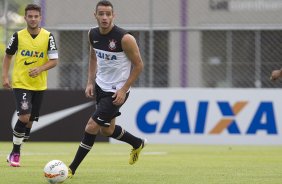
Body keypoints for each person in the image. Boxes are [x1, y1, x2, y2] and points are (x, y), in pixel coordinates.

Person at [68, 0, 146, 177]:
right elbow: (94, 57)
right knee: (107, 130)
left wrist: (124, 89)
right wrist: (90, 81)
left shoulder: (125, 38)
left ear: (113, 16)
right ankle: (137, 143)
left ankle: (71, 169)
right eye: (101, 14)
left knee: (91, 126)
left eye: (108, 14)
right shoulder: (92, 34)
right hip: (101, 87)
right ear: (95, 15)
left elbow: (139, 65)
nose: (104, 17)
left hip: (116, 91)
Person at [2, 4, 58, 167]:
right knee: (24, 117)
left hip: (39, 85)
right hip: (21, 83)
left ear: (40, 18)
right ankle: (15, 153)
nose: (33, 19)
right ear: (25, 18)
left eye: (36, 16)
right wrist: (5, 76)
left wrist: (40, 68)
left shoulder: (48, 37)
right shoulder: (18, 36)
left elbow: (54, 60)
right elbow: (8, 56)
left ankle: (16, 148)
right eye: (30, 16)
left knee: (30, 122)